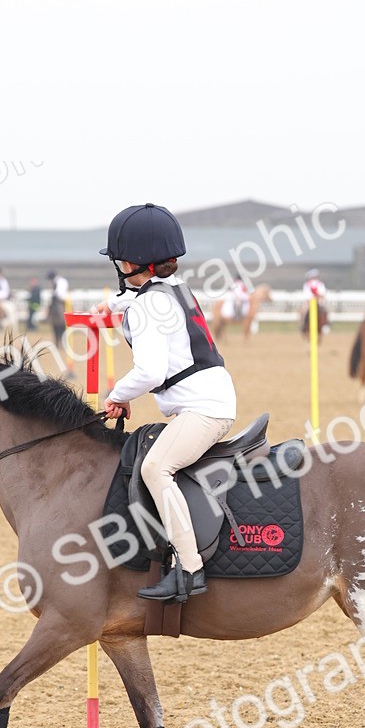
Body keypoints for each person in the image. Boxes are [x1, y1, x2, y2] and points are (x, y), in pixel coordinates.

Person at [98, 203, 237, 603]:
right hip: (211, 398)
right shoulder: (173, 289)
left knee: (157, 468)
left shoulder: (146, 304)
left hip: (204, 408)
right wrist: (111, 306)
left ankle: (190, 570)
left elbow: (151, 372)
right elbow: (142, 302)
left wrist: (117, 395)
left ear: (129, 261)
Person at [47, 270, 69, 347]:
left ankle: (61, 342)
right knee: (56, 323)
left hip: (59, 303)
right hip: (56, 302)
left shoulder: (60, 282)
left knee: (61, 322)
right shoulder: (59, 281)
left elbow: (60, 295)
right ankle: (58, 342)